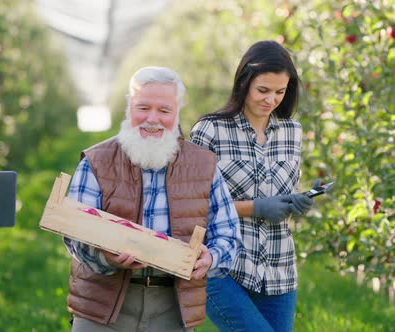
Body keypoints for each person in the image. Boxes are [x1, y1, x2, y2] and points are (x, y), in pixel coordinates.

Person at [64, 66, 241, 331]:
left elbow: (229, 235)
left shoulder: (204, 165)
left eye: (164, 111)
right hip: (103, 305)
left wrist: (210, 258)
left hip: (172, 306)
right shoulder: (97, 161)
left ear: (177, 112)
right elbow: (74, 233)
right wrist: (106, 258)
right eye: (143, 108)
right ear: (129, 108)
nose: (152, 119)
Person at [190, 40, 317, 331]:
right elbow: (190, 206)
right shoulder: (210, 130)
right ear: (244, 82)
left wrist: (298, 201)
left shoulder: (291, 132)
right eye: (263, 90)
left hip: (279, 269)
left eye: (280, 92)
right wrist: (256, 208)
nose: (271, 99)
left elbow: (280, 192)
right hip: (222, 266)